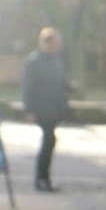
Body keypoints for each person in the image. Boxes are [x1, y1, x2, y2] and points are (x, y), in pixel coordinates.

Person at [21, 27, 69, 192]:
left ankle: (44, 178)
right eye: (55, 44)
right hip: (42, 108)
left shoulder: (56, 61)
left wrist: (68, 88)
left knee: (50, 141)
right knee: (49, 140)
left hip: (54, 107)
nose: (58, 47)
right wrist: (29, 110)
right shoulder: (34, 62)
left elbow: (60, 82)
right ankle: (41, 179)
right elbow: (27, 87)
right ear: (46, 43)